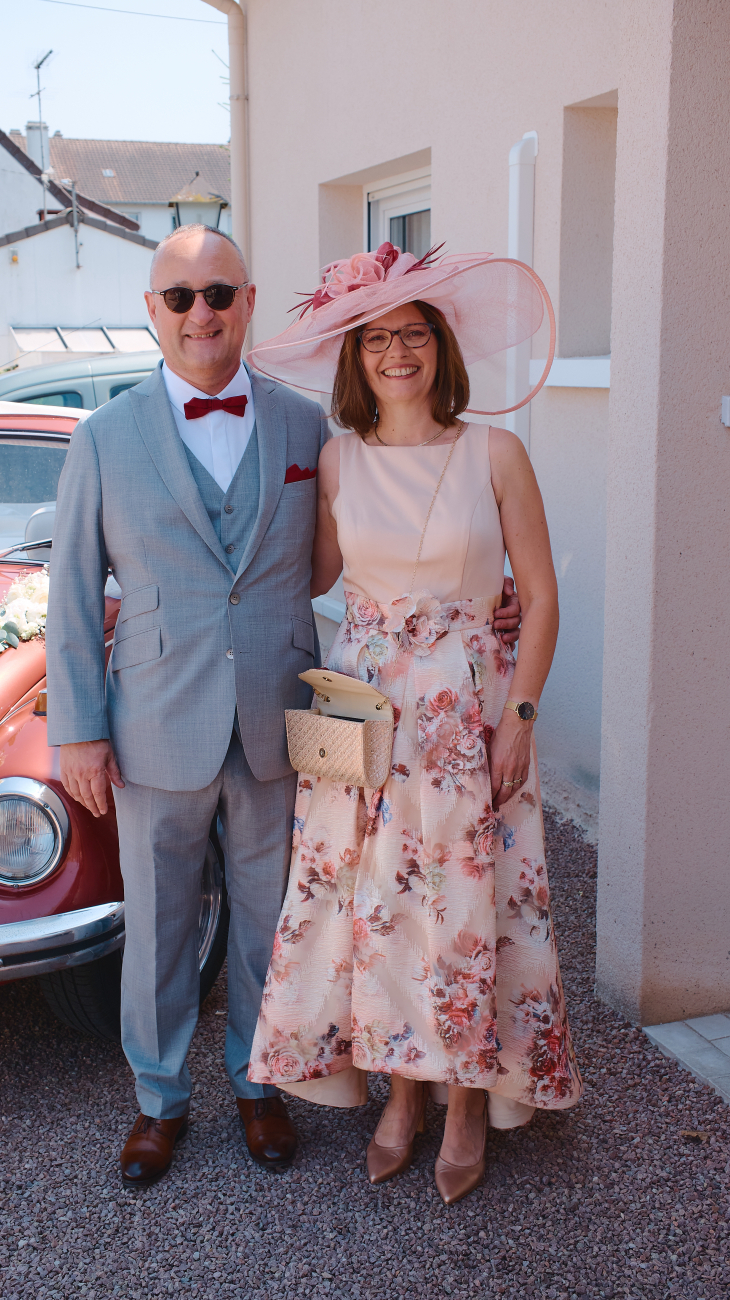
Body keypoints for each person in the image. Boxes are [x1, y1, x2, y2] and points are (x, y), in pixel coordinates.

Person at [45, 225, 521, 1189]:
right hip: (153, 722)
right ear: (152, 311)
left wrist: (482, 597)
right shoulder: (101, 437)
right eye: (180, 297)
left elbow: (365, 542)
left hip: (283, 719)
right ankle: (158, 1100)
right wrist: (79, 729)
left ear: (248, 302)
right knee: (159, 927)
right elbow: (71, 592)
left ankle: (261, 1083)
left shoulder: (307, 429)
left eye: (218, 293)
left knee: (276, 918)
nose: (201, 313)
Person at [247, 241, 582, 1205]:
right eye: (376, 338)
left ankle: (466, 1097)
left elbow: (541, 597)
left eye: (414, 334)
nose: (397, 352)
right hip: (367, 715)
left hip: (469, 713)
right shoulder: (335, 460)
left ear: (440, 345)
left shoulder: (496, 452)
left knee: (467, 905)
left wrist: (519, 715)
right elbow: (305, 574)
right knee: (376, 905)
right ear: (354, 357)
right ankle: (400, 1090)